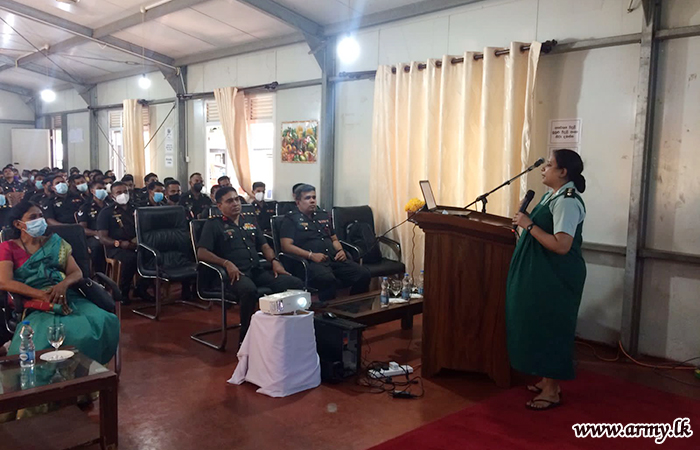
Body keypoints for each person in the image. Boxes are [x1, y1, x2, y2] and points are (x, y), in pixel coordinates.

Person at [507, 149, 587, 411]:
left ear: (563, 172)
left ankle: (552, 391)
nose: (543, 169)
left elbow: (562, 245)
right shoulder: (550, 196)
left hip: (558, 275)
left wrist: (528, 225)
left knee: (552, 328)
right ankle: (546, 379)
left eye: (549, 165)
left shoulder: (567, 201)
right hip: (542, 272)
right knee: (539, 325)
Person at [0, 201, 119, 364]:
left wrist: (62, 285)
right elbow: (4, 282)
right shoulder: (8, 247)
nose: (39, 220)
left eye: (41, 216)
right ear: (18, 224)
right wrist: (41, 295)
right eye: (33, 217)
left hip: (66, 296)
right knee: (50, 333)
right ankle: (49, 376)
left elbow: (76, 272)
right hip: (33, 301)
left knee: (103, 320)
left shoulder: (56, 243)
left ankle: (86, 372)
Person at [197, 187, 304, 343]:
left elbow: (264, 245)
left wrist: (274, 261)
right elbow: (202, 252)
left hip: (256, 270)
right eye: (229, 201)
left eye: (236, 199)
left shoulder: (249, 221)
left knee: (294, 283)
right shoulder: (213, 224)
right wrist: (226, 263)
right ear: (219, 206)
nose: (235, 203)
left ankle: (281, 329)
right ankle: (246, 337)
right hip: (233, 275)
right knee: (249, 291)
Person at [280, 184, 370, 302]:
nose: (312, 201)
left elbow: (334, 239)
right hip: (311, 262)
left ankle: (353, 306)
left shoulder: (322, 215)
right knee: (327, 279)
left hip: (333, 258)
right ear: (298, 202)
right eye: (307, 198)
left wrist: (340, 250)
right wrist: (311, 255)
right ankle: (328, 310)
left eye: (314, 197)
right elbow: (286, 246)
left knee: (363, 274)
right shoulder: (291, 219)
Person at [97, 182, 146, 303]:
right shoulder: (106, 212)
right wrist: (119, 243)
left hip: (137, 243)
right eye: (119, 193)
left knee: (154, 256)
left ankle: (141, 288)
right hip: (116, 247)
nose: (123, 195)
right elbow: (102, 238)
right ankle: (123, 291)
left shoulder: (136, 208)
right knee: (131, 259)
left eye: (125, 192)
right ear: (112, 196)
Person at [78, 180, 109, 274]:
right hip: (93, 236)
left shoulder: (109, 205)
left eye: (104, 188)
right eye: (99, 188)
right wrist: (96, 233)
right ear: (92, 191)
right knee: (97, 246)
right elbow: (82, 229)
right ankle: (99, 274)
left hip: (109, 235)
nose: (102, 190)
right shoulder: (86, 207)